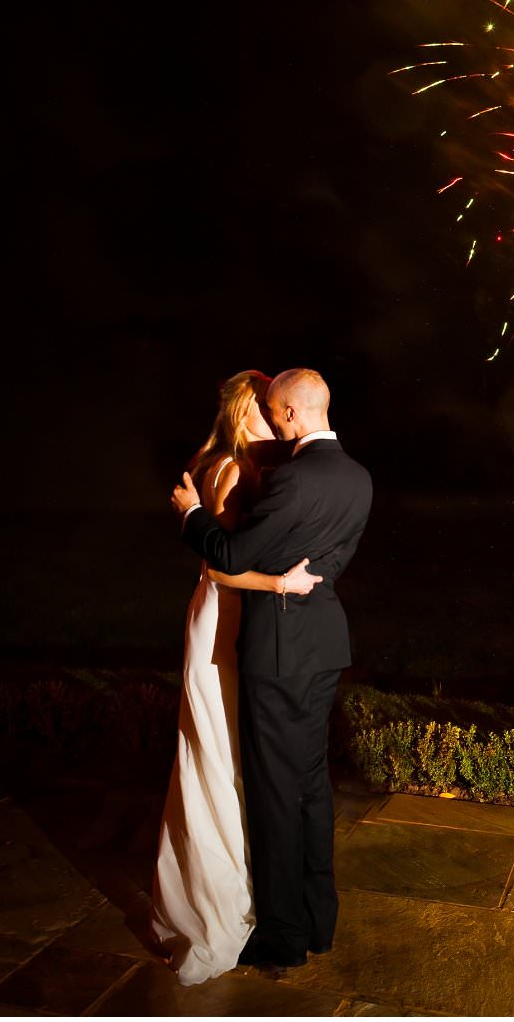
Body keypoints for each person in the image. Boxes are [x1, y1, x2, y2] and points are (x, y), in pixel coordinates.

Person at [171, 367, 373, 972]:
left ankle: (284, 936)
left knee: (274, 794)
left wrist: (190, 516)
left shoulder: (292, 482)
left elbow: (229, 554)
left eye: (276, 413)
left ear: (290, 414)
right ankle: (319, 918)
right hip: (324, 646)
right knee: (310, 785)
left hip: (280, 652)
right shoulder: (358, 478)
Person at [151, 370, 323, 986]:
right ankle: (216, 905)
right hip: (223, 621)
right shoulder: (226, 468)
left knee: (239, 757)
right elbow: (220, 568)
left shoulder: (257, 470)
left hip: (241, 625)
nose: (281, 421)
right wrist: (282, 583)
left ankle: (249, 885)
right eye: (269, 411)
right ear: (246, 413)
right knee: (219, 756)